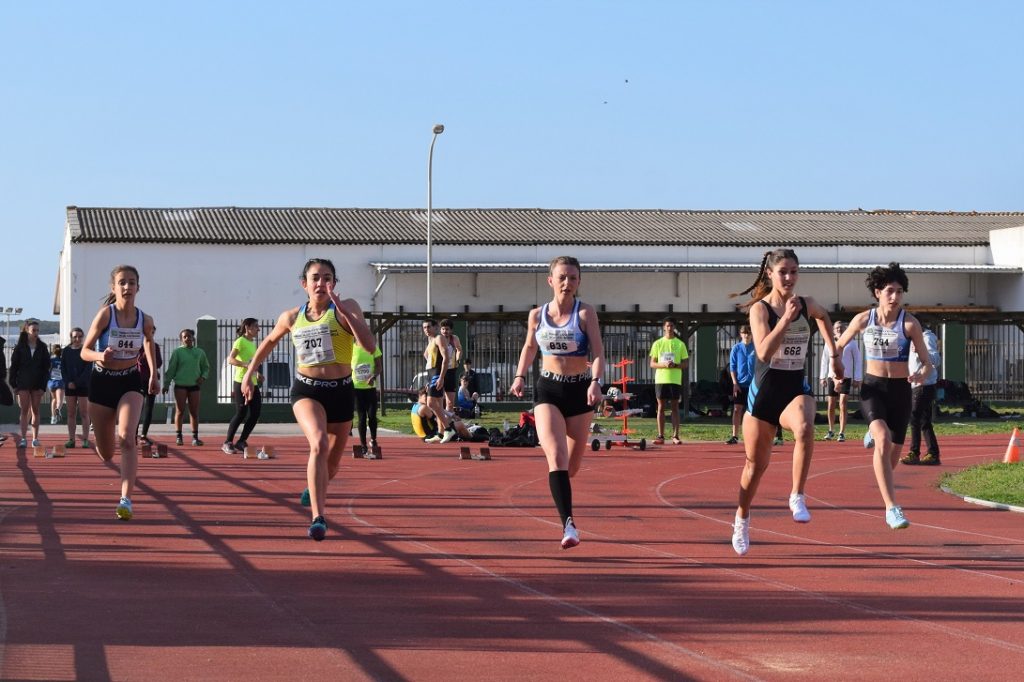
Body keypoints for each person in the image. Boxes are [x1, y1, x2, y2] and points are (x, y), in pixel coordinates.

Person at [240, 258, 375, 541]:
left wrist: (345, 314)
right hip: (307, 390)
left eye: (327, 278)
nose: (321, 283)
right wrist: (249, 373)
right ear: (304, 284)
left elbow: (369, 345)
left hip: (341, 390)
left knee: (333, 464)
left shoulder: (347, 308)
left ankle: (313, 487)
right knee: (319, 444)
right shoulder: (291, 317)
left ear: (334, 284)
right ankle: (318, 517)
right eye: (315, 278)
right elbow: (268, 342)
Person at [729, 249, 842, 556]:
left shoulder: (805, 304)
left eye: (794, 271)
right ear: (770, 274)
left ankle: (797, 494)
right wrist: (786, 320)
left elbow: (823, 316)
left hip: (795, 388)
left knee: (806, 427)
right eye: (783, 272)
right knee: (756, 466)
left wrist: (834, 354)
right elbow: (764, 353)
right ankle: (741, 518)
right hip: (765, 394)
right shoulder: (760, 310)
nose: (790, 278)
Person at [510, 256, 605, 550]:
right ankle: (569, 525)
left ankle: (564, 497)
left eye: (573, 278)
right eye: (562, 277)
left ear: (579, 283)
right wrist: (519, 375)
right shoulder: (537, 315)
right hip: (548, 389)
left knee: (572, 468)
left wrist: (596, 382)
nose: (567, 283)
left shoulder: (586, 313)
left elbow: (599, 353)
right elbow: (529, 346)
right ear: (551, 280)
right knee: (557, 458)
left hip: (579, 391)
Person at [836, 262, 932, 530]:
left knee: (891, 461)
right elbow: (838, 347)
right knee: (882, 439)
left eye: (900, 291)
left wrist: (922, 374)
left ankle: (874, 435)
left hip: (901, 391)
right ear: (877, 292)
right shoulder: (863, 319)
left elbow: (927, 362)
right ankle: (892, 508)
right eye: (890, 291)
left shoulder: (910, 323)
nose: (895, 296)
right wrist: (837, 369)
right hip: (873, 388)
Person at [80, 265, 159, 520]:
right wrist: (100, 355)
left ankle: (126, 499)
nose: (127, 287)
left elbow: (148, 341)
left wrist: (154, 375)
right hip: (102, 382)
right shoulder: (105, 315)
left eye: (132, 282)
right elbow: (84, 351)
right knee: (106, 453)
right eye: (122, 282)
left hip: (129, 381)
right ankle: (102, 434)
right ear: (114, 288)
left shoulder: (145, 319)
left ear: (138, 287)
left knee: (127, 437)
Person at [162, 328, 210, 446]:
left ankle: (195, 437)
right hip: (180, 386)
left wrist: (203, 377)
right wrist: (166, 384)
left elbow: (206, 367)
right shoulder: (177, 352)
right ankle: (179, 436)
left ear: (193, 338)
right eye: (185, 337)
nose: (188, 338)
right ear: (181, 339)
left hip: (194, 386)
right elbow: (171, 369)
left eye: (190, 336)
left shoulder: (200, 352)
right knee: (180, 410)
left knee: (194, 412)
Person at [903, 328, 942, 465]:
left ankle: (914, 452)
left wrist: (921, 352)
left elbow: (936, 359)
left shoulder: (926, 338)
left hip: (925, 385)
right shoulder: (911, 340)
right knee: (923, 420)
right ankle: (933, 453)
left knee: (914, 417)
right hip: (915, 385)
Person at [223, 319, 263, 454]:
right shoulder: (240, 341)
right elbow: (231, 359)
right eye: (256, 326)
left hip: (254, 383)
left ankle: (241, 441)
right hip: (241, 382)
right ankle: (227, 442)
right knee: (241, 413)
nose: (258, 329)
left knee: (256, 413)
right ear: (247, 327)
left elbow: (252, 363)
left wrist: (256, 373)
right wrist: (247, 365)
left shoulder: (252, 344)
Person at [8, 320, 50, 448]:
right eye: (33, 330)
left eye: (38, 330)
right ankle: (23, 439)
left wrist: (43, 387)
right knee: (24, 410)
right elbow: (14, 367)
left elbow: (46, 368)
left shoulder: (42, 347)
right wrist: (14, 385)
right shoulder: (20, 347)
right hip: (23, 384)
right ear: (27, 331)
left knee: (36, 410)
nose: (36, 333)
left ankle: (35, 438)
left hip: (37, 384)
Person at [819, 321, 862, 442]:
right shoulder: (829, 342)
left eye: (841, 328)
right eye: (837, 328)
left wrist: (857, 378)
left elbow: (858, 360)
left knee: (843, 403)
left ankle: (841, 432)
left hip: (846, 377)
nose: (839, 330)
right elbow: (824, 360)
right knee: (831, 404)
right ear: (833, 330)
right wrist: (822, 377)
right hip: (832, 376)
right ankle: (831, 430)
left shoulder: (852, 343)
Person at [648, 317, 688, 445]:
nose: (670, 328)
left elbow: (685, 363)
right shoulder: (658, 343)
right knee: (661, 407)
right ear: (664, 328)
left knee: (675, 407)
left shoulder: (680, 344)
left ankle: (675, 436)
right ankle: (660, 436)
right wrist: (664, 364)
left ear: (674, 327)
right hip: (661, 379)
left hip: (675, 380)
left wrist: (675, 365)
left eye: (672, 325)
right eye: (667, 326)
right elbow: (652, 363)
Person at [61, 327, 93, 449]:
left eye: (80, 336)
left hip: (83, 386)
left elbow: (88, 369)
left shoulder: (86, 350)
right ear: (71, 337)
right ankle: (71, 439)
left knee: (84, 413)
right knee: (71, 413)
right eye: (75, 336)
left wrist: (78, 382)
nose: (77, 339)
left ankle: (85, 439)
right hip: (69, 386)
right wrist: (68, 382)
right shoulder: (66, 351)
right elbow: (63, 368)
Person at [351, 333, 383, 455]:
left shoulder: (373, 348)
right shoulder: (352, 349)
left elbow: (379, 366)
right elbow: (346, 367)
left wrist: (373, 376)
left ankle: (373, 439)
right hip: (357, 388)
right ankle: (363, 445)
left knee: (372, 416)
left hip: (370, 388)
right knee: (361, 417)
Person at [726, 325, 754, 444]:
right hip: (740, 384)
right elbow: (732, 366)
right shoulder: (736, 348)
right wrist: (735, 383)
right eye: (744, 333)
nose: (746, 335)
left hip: (753, 385)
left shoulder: (756, 347)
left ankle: (752, 436)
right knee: (737, 409)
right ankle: (735, 436)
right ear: (740, 334)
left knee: (753, 411)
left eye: (748, 333)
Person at [423, 318, 451, 438]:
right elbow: (426, 355)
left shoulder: (439, 338)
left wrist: (441, 377)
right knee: (438, 403)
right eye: (424, 327)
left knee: (430, 403)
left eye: (429, 327)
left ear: (435, 327)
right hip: (431, 373)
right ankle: (440, 433)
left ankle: (449, 429)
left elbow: (446, 358)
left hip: (437, 373)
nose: (426, 330)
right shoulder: (431, 341)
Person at [137, 330, 163, 446]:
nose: (150, 334)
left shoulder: (156, 346)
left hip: (152, 380)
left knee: (149, 408)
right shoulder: (137, 345)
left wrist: (153, 362)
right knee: (138, 409)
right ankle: (133, 434)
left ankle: (143, 435)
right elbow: (140, 361)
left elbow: (159, 362)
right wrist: (146, 354)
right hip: (139, 380)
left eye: (152, 332)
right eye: (148, 332)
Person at [437, 318, 463, 412]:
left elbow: (459, 349)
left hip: (451, 370)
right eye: (443, 329)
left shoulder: (454, 338)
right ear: (440, 330)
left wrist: (457, 359)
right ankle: (439, 421)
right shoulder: (437, 339)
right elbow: (427, 354)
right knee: (438, 400)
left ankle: (448, 421)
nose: (445, 331)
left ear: (451, 330)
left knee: (450, 402)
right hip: (439, 371)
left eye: (447, 329)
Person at [48, 344, 65, 424]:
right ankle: (58, 409)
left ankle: (53, 417)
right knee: (60, 400)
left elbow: (48, 370)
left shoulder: (51, 360)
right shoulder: (63, 361)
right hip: (60, 382)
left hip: (51, 382)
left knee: (54, 399)